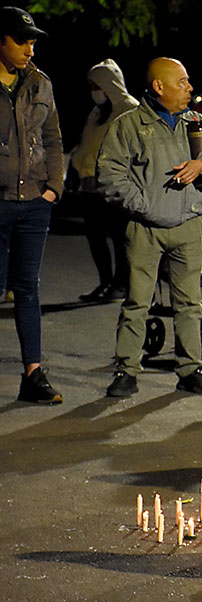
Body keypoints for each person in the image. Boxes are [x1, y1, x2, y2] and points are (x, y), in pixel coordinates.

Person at [99, 57, 202, 397]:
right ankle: (127, 371)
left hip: (188, 225)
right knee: (137, 302)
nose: (189, 87)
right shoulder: (130, 125)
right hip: (144, 229)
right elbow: (109, 174)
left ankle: (190, 369)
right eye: (182, 82)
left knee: (189, 304)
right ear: (159, 87)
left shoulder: (196, 121)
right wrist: (144, 206)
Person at [0, 6, 64, 404]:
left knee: (27, 289)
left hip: (34, 201)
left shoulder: (40, 83)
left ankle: (33, 376)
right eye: (22, 41)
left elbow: (53, 139)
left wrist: (53, 187)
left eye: (33, 42)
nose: (30, 49)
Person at [72, 59, 137, 303]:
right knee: (96, 238)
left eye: (96, 86)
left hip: (114, 186)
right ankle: (105, 282)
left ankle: (121, 284)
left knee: (120, 239)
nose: (93, 91)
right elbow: (87, 144)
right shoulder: (98, 112)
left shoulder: (129, 109)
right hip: (90, 186)